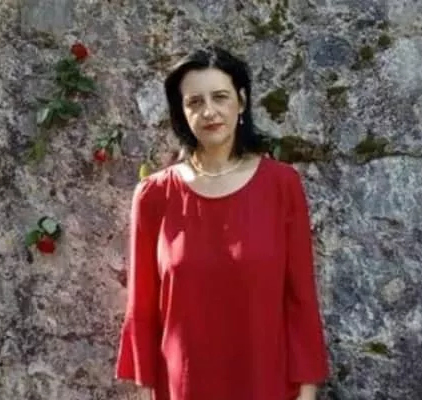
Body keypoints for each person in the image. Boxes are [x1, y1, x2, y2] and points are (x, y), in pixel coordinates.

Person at [115, 46, 330, 400]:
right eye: (194, 102)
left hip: (265, 385)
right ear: (181, 112)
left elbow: (300, 300)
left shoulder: (281, 185)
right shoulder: (155, 195)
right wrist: (145, 391)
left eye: (220, 97)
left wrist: (307, 392)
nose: (209, 111)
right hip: (183, 387)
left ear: (241, 101)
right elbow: (141, 308)